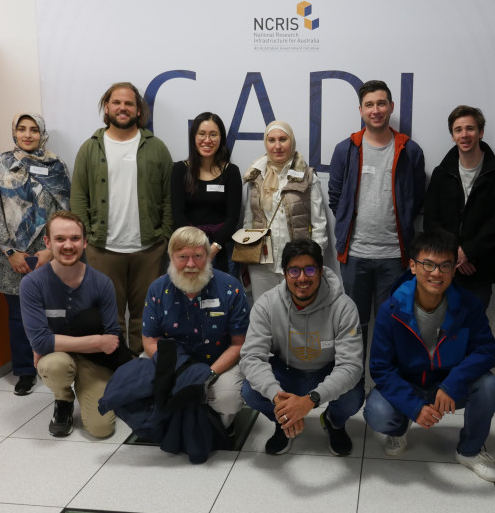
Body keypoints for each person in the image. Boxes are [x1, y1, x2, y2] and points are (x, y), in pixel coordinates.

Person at [364, 229, 495, 482]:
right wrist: (414, 406)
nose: (436, 273)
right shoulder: (392, 309)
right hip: (409, 384)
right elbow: (381, 368)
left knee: (488, 384)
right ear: (413, 266)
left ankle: (470, 451)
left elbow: (486, 350)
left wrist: (452, 383)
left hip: (447, 385)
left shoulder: (467, 305)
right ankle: (400, 427)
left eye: (445, 266)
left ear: (454, 268)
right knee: (377, 412)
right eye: (428, 264)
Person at [70, 82, 173, 355]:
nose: (122, 108)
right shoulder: (90, 148)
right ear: (107, 107)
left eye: (129, 103)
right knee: (109, 318)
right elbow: (79, 197)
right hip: (103, 250)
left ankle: (142, 372)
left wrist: (163, 237)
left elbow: (168, 197)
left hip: (149, 249)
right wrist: (86, 241)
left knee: (146, 318)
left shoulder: (157, 148)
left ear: (138, 110)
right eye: (117, 102)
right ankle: (115, 372)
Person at [240, 239, 363, 456]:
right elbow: (252, 358)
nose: (303, 278)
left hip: (327, 370)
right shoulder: (267, 304)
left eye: (309, 269)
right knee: (250, 391)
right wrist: (279, 400)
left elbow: (351, 366)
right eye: (294, 271)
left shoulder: (344, 307)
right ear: (285, 273)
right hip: (287, 372)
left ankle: (334, 422)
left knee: (353, 395)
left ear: (321, 271)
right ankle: (283, 421)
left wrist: (311, 400)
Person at [328, 79, 426, 352]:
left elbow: (416, 198)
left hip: (394, 256)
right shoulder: (345, 149)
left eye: (381, 103)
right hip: (355, 255)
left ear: (391, 107)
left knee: (391, 325)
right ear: (360, 110)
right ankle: (353, 387)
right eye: (369, 104)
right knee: (352, 326)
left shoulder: (410, 151)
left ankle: (383, 389)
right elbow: (336, 197)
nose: (376, 110)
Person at [0, 112, 70, 396]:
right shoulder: (0, 164)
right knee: (18, 315)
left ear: (42, 133)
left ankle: (55, 365)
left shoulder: (55, 165)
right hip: (12, 255)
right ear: (14, 132)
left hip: (49, 253)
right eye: (22, 129)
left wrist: (49, 251)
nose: (28, 134)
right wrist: (10, 252)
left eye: (33, 129)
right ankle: (25, 371)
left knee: (55, 312)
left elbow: (67, 213)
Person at [20, 211, 130, 438]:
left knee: (101, 430)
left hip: (94, 358)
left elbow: (113, 339)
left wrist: (50, 343)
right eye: (60, 239)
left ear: (85, 242)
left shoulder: (102, 282)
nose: (68, 245)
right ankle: (63, 400)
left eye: (75, 239)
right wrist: (96, 341)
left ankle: (95, 385)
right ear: (48, 242)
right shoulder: (32, 284)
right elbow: (40, 341)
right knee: (54, 366)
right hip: (61, 356)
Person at [141, 226, 249, 429]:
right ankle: (168, 422)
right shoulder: (157, 288)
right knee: (138, 383)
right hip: (172, 362)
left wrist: (207, 374)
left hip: (218, 362)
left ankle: (216, 427)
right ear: (171, 257)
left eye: (198, 256)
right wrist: (176, 370)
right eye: (183, 257)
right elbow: (149, 339)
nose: (191, 264)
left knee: (227, 399)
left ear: (208, 256)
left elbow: (239, 344)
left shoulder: (230, 288)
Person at [424, 105, 495, 309]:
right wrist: (456, 254)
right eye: (458, 130)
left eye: (470, 128)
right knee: (442, 332)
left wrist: (469, 251)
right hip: (443, 269)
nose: (464, 135)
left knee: (473, 334)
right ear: (452, 135)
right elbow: (431, 220)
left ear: (480, 132)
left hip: (478, 270)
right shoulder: (441, 173)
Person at [241, 121, 329, 301]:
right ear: (266, 144)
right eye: (271, 140)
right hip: (262, 264)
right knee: (264, 313)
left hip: (297, 264)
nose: (278, 146)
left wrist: (313, 261)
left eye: (283, 139)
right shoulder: (255, 176)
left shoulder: (308, 176)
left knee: (297, 314)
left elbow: (319, 225)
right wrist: (247, 260)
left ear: (292, 141)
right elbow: (248, 223)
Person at [170, 112, 241, 274]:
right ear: (193, 137)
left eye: (213, 134)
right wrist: (195, 249)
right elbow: (177, 215)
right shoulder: (180, 170)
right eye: (202, 134)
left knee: (223, 297)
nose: (207, 140)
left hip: (222, 249)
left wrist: (213, 249)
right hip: (187, 249)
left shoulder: (231, 172)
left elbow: (233, 218)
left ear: (221, 139)